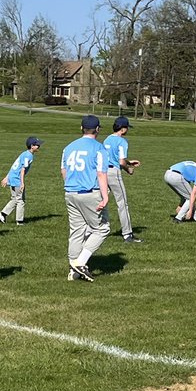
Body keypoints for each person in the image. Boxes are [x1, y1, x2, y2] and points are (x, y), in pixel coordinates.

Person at [62, 115, 111, 282]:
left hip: (70, 192)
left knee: (76, 231)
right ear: (97, 129)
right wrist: (105, 197)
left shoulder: (68, 148)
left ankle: (73, 271)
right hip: (90, 192)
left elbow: (64, 171)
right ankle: (80, 263)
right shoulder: (99, 148)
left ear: (81, 128)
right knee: (102, 229)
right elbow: (101, 174)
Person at [102, 116, 142, 243]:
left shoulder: (107, 139)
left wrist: (129, 162)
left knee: (101, 201)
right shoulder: (122, 141)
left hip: (102, 172)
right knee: (122, 203)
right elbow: (120, 161)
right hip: (114, 173)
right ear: (123, 129)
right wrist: (128, 169)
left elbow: (111, 157)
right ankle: (127, 234)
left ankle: (96, 229)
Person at [0, 136, 42, 225]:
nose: (39, 146)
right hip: (17, 179)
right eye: (37, 145)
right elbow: (22, 170)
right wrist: (22, 183)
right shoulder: (28, 156)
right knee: (21, 200)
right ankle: (19, 221)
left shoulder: (24, 153)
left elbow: (14, 166)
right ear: (32, 146)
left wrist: (7, 177)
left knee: (15, 198)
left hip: (12, 178)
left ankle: (2, 214)